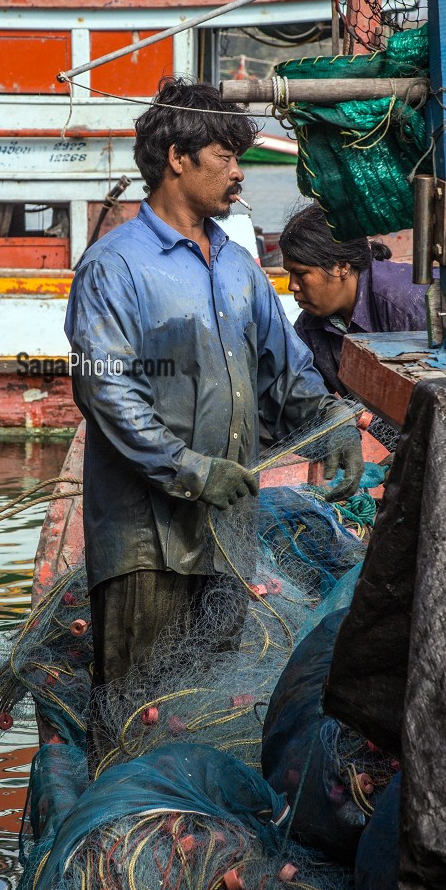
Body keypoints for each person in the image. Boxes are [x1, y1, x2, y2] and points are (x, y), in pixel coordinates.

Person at [64, 78, 363, 771]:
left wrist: (331, 418)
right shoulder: (113, 267)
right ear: (176, 158)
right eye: (225, 156)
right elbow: (107, 395)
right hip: (144, 543)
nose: (237, 172)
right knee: (133, 717)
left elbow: (283, 367)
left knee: (205, 709)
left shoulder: (237, 266)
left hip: (228, 536)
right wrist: (191, 471)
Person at [279, 203, 428, 396]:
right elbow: (297, 389)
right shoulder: (310, 324)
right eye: (289, 274)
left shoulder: (405, 306)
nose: (292, 286)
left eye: (300, 274)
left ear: (342, 267)